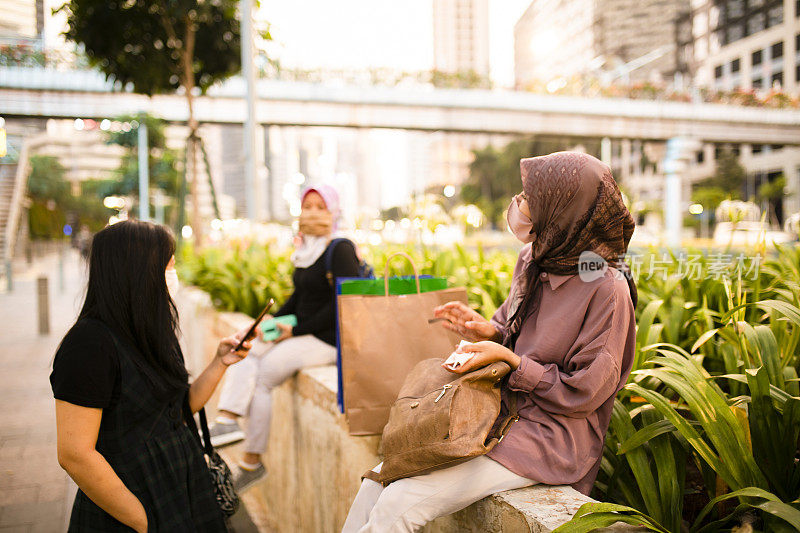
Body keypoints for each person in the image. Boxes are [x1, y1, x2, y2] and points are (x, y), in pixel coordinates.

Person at [342, 151, 638, 532]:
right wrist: (490, 331)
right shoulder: (534, 259)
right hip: (491, 411)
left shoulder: (607, 290)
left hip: (550, 437)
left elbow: (585, 392)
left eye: (531, 194)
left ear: (563, 208)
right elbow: (508, 327)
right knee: (377, 481)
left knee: (398, 503)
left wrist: (513, 363)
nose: (519, 202)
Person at [51, 220, 254, 532]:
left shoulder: (150, 329)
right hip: (128, 504)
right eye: (168, 265)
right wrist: (144, 520)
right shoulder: (89, 345)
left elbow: (178, 410)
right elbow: (75, 455)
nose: (173, 275)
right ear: (137, 271)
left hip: (182, 488)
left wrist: (220, 362)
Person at [209, 184, 361, 492]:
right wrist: (273, 320)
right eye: (308, 206)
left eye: (321, 206)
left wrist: (296, 328)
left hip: (329, 339)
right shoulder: (306, 249)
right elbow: (300, 296)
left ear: (334, 211)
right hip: (304, 332)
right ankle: (226, 419)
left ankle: (251, 462)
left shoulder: (340, 247)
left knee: (265, 374)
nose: (313, 212)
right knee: (245, 347)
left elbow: (345, 302)